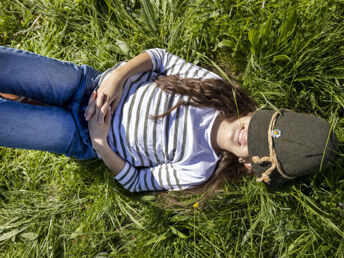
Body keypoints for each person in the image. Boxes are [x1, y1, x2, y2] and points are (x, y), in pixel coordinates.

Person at [0, 46, 337, 193]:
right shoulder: (215, 90)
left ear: (249, 164)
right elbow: (159, 58)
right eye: (258, 125)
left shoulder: (200, 167)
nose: (247, 134)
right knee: (10, 67)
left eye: (255, 145)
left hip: (83, 136)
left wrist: (100, 141)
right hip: (92, 85)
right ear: (256, 111)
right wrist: (116, 80)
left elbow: (137, 181)